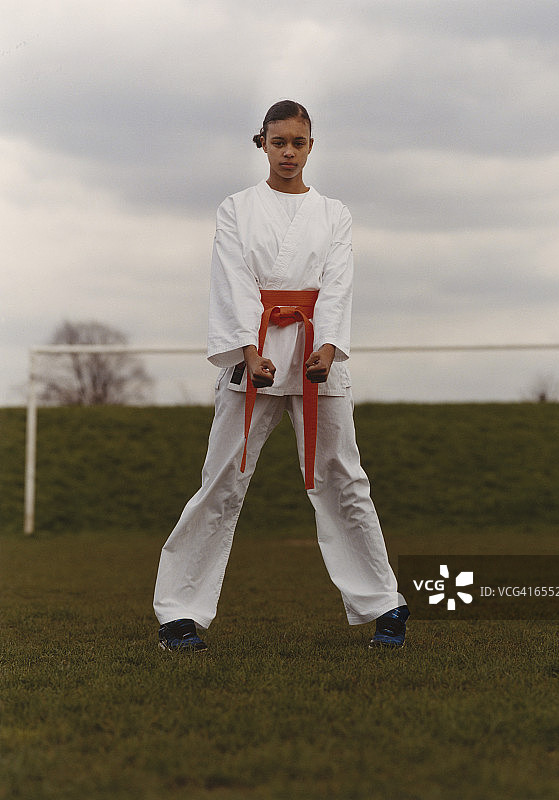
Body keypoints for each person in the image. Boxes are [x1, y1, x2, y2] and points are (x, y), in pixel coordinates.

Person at [153, 100, 409, 651]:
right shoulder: (237, 208)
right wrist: (248, 349)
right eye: (278, 143)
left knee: (343, 478)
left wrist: (329, 346)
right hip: (257, 353)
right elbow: (232, 280)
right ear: (261, 144)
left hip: (319, 350)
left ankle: (383, 605)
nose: (288, 152)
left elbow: (338, 282)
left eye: (298, 142)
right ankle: (179, 611)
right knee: (222, 479)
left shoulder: (333, 213)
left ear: (311, 146)